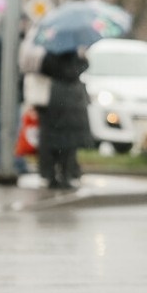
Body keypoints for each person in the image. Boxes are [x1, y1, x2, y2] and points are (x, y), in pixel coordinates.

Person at [20, 36, 90, 189]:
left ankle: (50, 174)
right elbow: (81, 67)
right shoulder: (75, 54)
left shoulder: (49, 53)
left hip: (54, 99)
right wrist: (83, 59)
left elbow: (43, 68)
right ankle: (66, 174)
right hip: (72, 100)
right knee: (69, 141)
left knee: (50, 138)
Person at [0, 16, 29, 175]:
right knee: (7, 129)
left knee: (2, 129)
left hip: (3, 94)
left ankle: (1, 161)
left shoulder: (0, 40)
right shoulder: (5, 42)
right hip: (6, 95)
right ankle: (9, 162)